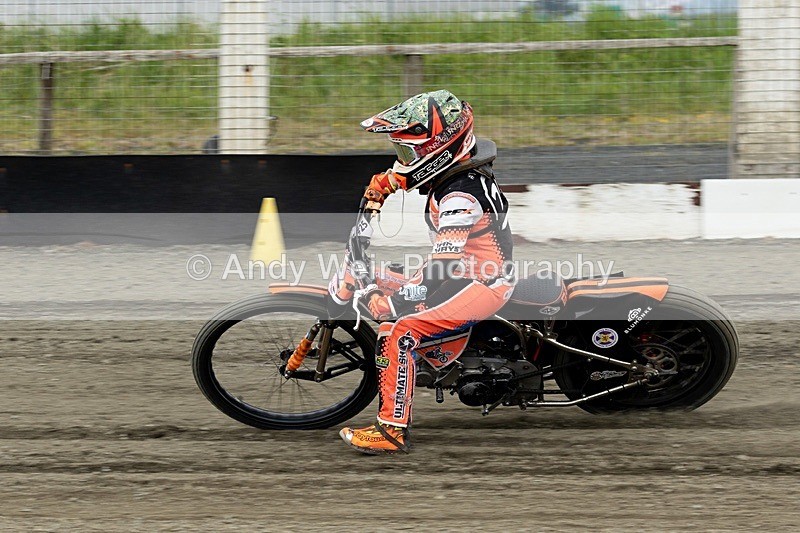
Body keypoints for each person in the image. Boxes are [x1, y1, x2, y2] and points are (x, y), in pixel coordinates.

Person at [333, 89, 515, 454]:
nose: (402, 162)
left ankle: (391, 432)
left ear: (440, 151)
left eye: (408, 153)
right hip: (462, 273)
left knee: (399, 329)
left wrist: (393, 300)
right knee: (377, 278)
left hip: (481, 283)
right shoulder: (457, 171)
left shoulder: (459, 199)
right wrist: (384, 187)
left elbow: (442, 267)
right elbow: (410, 176)